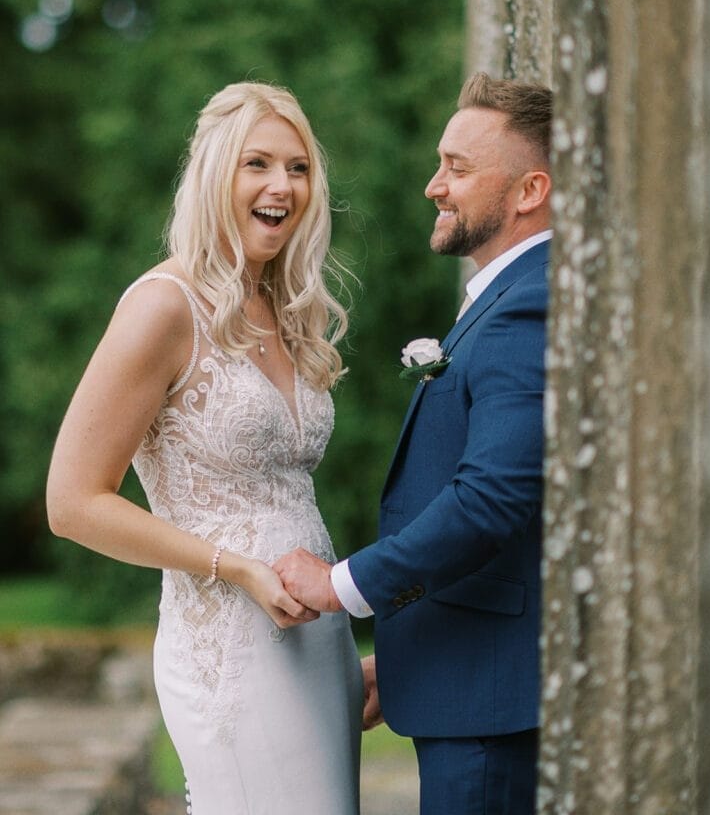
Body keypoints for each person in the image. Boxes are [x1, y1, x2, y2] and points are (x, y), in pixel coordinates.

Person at [46, 82, 363, 815]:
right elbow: (72, 502)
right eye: (257, 163)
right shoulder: (163, 305)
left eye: (298, 167)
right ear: (215, 174)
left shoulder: (285, 309)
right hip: (227, 641)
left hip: (320, 639)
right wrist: (237, 568)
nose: (281, 185)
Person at [275, 72, 552, 814]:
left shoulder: (530, 303)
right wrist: (402, 659)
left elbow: (493, 499)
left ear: (528, 192)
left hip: (490, 711)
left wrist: (340, 589)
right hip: (465, 683)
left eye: (457, 168)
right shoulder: (507, 297)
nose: (434, 185)